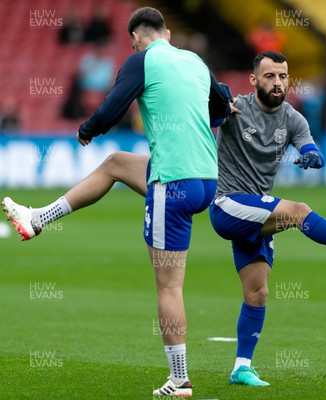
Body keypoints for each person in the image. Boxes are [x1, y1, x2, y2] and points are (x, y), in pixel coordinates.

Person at [2, 7, 231, 397]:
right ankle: (40, 216)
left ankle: (179, 379)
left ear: (137, 38)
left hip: (172, 184)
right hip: (206, 180)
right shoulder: (193, 59)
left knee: (169, 288)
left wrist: (88, 129)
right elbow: (222, 106)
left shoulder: (140, 60)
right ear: (169, 33)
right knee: (116, 165)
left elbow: (113, 105)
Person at [209, 51, 326, 386]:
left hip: (259, 216)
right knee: (299, 212)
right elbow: (204, 106)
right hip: (227, 206)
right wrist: (217, 95)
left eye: (283, 76)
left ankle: (241, 366)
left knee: (258, 293)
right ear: (254, 80)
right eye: (269, 76)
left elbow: (312, 149)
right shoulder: (235, 107)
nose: (278, 83)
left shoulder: (293, 118)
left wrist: (311, 157)